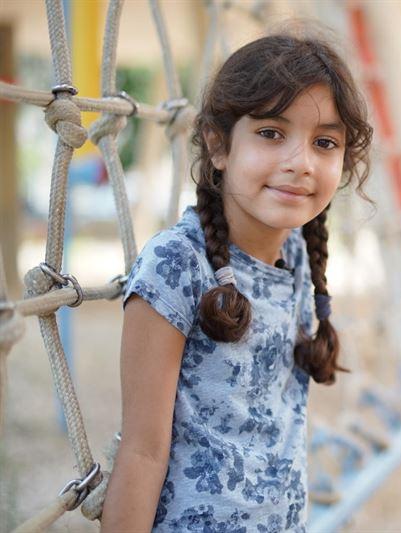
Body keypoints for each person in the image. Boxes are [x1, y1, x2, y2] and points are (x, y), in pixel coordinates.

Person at [100, 32, 372, 532]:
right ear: (219, 145)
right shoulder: (177, 266)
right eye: (271, 133)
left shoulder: (293, 255)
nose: (300, 162)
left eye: (325, 143)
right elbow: (141, 451)